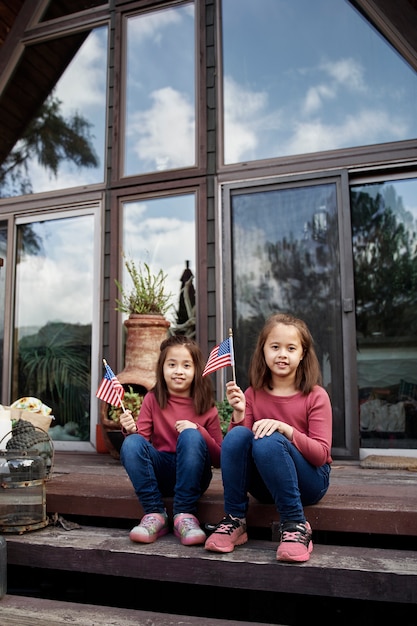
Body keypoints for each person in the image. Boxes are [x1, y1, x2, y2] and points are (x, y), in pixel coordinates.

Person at [205, 313, 332, 563]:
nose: (282, 354)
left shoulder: (316, 396)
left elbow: (320, 455)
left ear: (303, 354)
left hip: (310, 482)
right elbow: (237, 449)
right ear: (263, 351)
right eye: (274, 347)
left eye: (291, 348)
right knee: (238, 435)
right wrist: (240, 413)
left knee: (269, 438)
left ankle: (295, 524)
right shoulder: (253, 393)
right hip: (266, 484)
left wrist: (286, 430)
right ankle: (235, 520)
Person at [119, 334, 223, 546]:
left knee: (191, 435)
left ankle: (185, 515)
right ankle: (155, 514)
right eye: (172, 364)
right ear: (162, 368)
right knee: (131, 443)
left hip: (195, 476)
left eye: (186, 365)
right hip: (162, 472)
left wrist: (198, 430)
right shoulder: (153, 399)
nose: (178, 371)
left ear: (196, 371)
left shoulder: (207, 406)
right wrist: (130, 431)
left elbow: (219, 459)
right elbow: (142, 443)